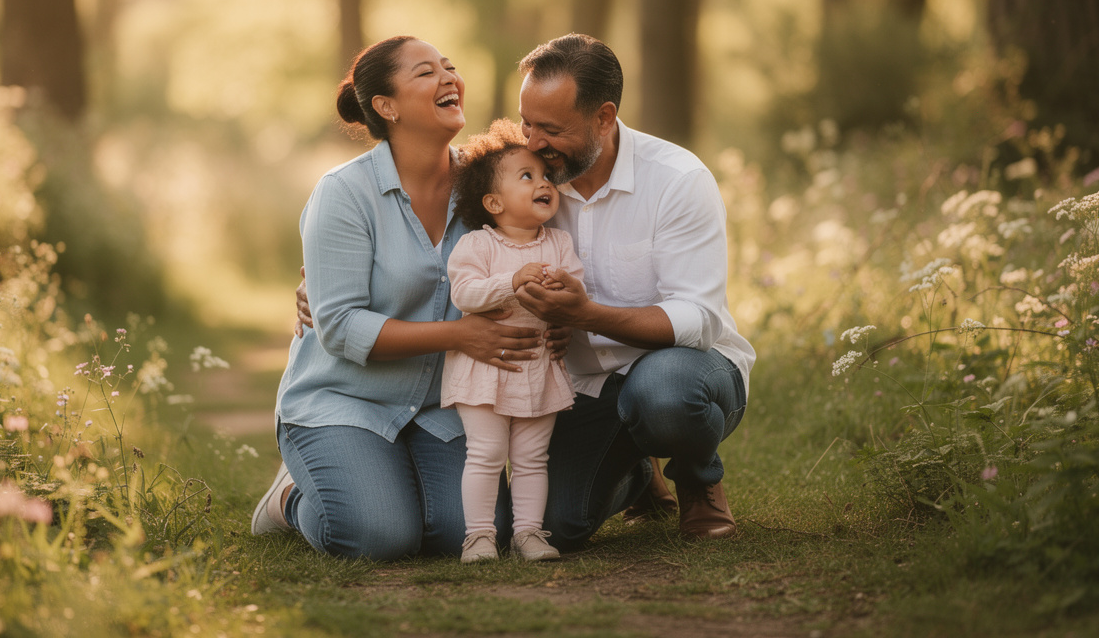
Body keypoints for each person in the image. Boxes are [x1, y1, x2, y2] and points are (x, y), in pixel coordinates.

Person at [250, 36, 543, 560]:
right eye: (426, 72)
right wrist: (460, 333)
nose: (449, 78)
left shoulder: (485, 189)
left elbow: (528, 251)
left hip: (440, 405)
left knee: (475, 532)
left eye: (450, 68)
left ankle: (383, 478)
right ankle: (290, 498)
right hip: (343, 399)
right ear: (386, 107)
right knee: (379, 537)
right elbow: (338, 327)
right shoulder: (344, 193)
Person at [512, 33, 756, 549]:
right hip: (584, 386)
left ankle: (698, 478)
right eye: (526, 123)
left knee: (664, 397)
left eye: (551, 129)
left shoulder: (677, 179)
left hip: (687, 367)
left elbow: (698, 320)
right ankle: (640, 474)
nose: (533, 142)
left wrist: (587, 315)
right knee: (554, 525)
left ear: (604, 118)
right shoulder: (523, 175)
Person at [442, 120, 584, 563]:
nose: (543, 183)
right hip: (486, 371)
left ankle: (529, 533)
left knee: (531, 457)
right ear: (493, 202)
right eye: (527, 177)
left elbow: (576, 291)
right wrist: (511, 281)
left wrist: (562, 289)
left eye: (545, 177)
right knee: (485, 453)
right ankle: (480, 536)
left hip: (539, 369)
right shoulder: (477, 246)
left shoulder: (558, 244)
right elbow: (465, 293)